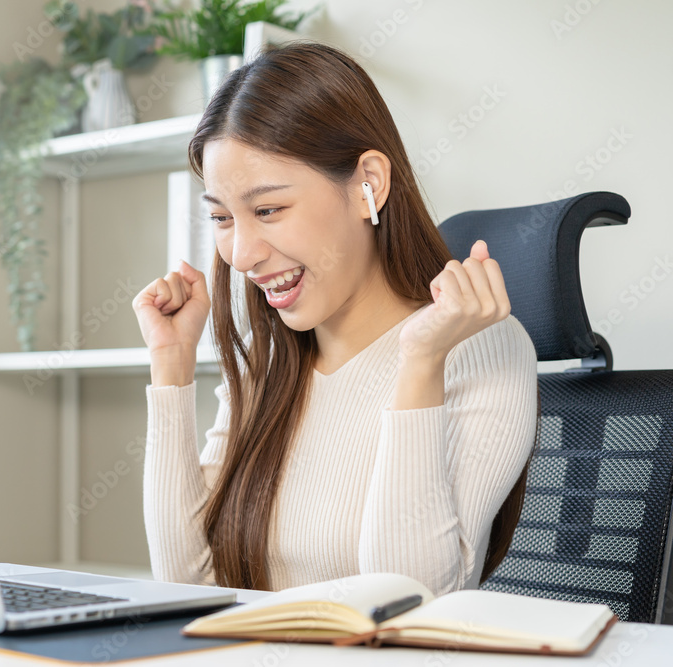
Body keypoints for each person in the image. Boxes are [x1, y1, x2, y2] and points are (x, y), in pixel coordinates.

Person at [131, 42, 540, 596]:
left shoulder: (479, 348)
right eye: (223, 217)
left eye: (268, 210)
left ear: (368, 182)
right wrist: (170, 370)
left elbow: (410, 602)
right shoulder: (272, 356)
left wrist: (420, 364)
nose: (242, 253)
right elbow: (186, 583)